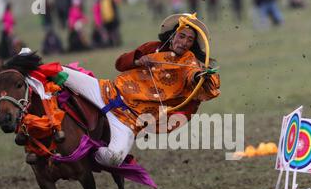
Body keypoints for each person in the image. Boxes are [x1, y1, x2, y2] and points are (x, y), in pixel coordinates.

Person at [60, 13, 220, 167]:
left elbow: (193, 74)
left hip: (128, 121)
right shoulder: (153, 47)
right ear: (173, 35)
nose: (184, 42)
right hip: (107, 92)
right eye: (181, 36)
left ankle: (86, 156)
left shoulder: (189, 61)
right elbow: (120, 64)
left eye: (190, 39)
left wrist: (199, 76)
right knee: (59, 72)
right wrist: (138, 61)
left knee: (113, 159)